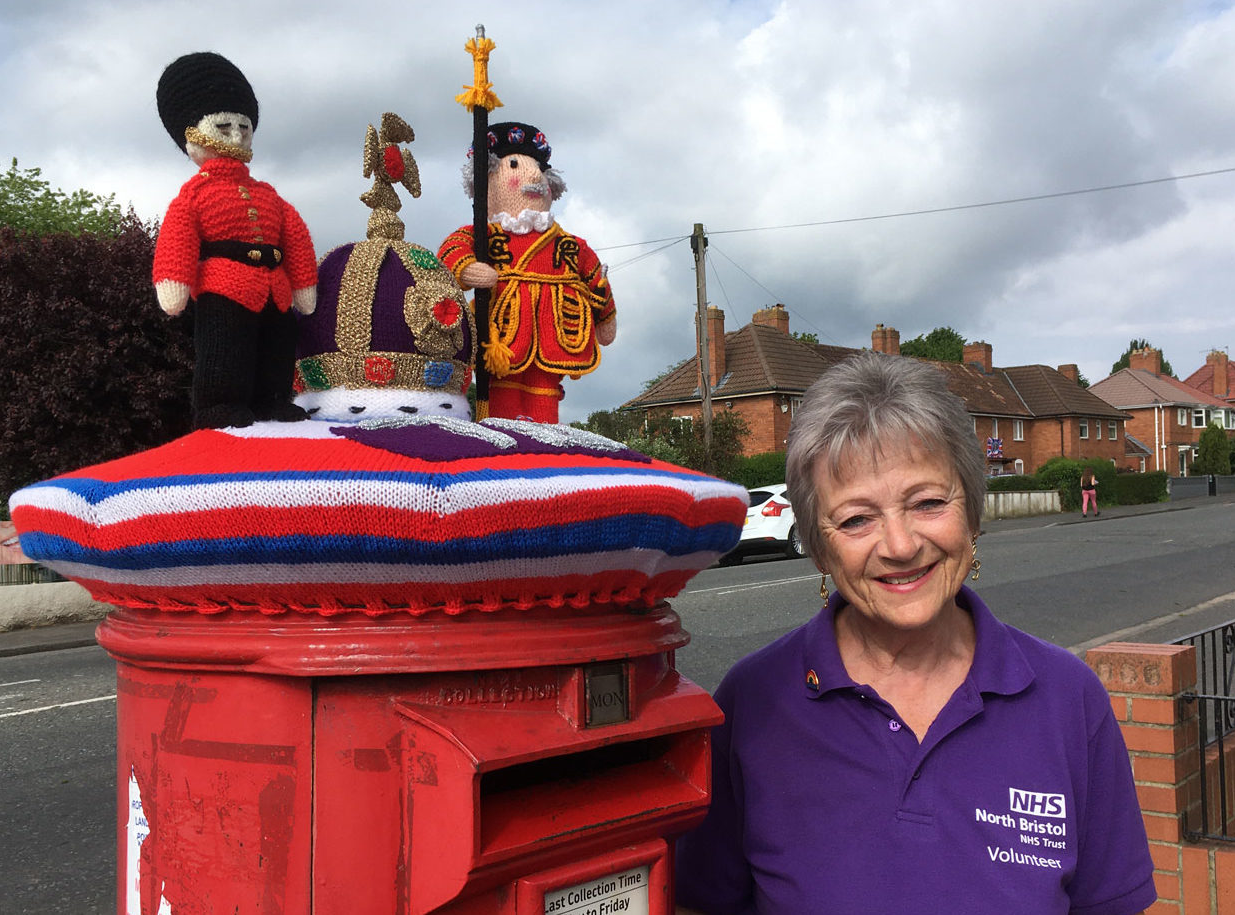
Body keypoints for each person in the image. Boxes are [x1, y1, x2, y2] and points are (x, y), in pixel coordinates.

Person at [674, 352, 1155, 915]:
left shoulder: (1068, 698)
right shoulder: (752, 702)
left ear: (972, 514)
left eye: (927, 503)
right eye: (856, 518)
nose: (900, 546)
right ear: (820, 549)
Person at [153, 52, 318, 430]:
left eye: (244, 127)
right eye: (224, 126)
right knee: (224, 349)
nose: (237, 135)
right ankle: (219, 405)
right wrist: (173, 282)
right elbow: (178, 236)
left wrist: (304, 284)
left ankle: (273, 399)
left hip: (275, 287)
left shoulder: (268, 194)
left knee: (277, 348)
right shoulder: (194, 195)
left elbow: (294, 235)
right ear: (192, 133)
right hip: (224, 288)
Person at [439, 122, 616, 422]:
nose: (533, 176)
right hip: (505, 335)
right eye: (515, 166)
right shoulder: (486, 234)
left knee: (545, 391)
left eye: (538, 169)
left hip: (555, 334)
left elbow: (595, 276)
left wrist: (606, 316)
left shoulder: (568, 243)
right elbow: (451, 248)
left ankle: (542, 448)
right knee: (502, 395)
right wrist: (468, 268)